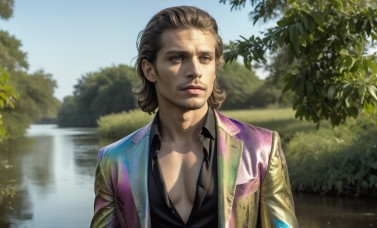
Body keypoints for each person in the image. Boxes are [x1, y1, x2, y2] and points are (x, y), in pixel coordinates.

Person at [91, 5, 298, 228]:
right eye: (177, 58)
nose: (195, 71)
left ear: (215, 67)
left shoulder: (261, 149)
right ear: (150, 70)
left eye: (205, 58)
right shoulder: (114, 161)